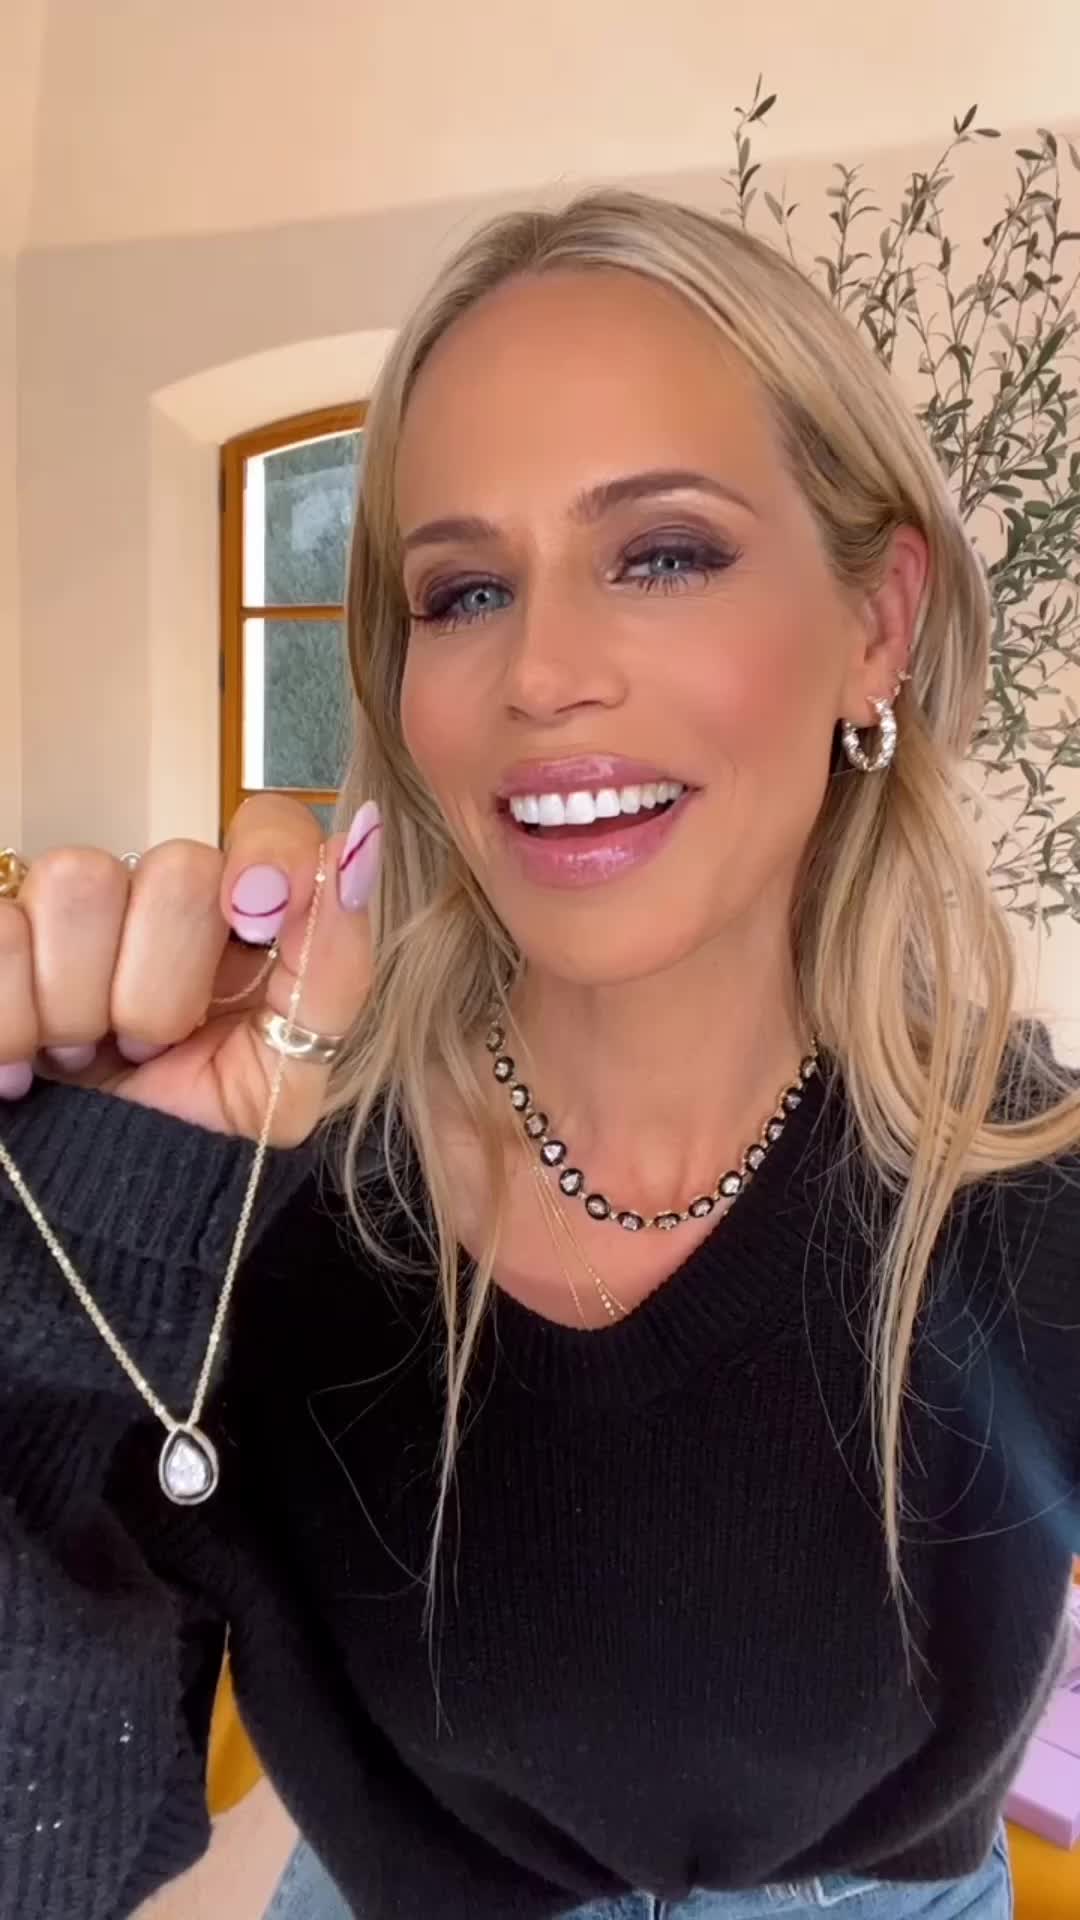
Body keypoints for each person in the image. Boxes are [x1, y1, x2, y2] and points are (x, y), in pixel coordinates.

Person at [1, 188, 1078, 1920]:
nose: (541, 672)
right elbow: (42, 1841)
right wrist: (71, 1256)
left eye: (664, 555)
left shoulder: (1032, 1184)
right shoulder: (265, 1198)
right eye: (464, 590)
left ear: (877, 621)